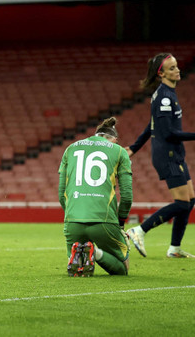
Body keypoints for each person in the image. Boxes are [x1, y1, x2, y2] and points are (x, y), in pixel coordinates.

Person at [125, 53, 195, 259]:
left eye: (177, 66)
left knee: (190, 200)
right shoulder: (163, 96)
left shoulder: (168, 93)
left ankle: (174, 249)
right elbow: (168, 132)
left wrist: (134, 147)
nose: (177, 70)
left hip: (175, 153)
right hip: (167, 154)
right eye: (171, 68)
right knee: (181, 203)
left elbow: (151, 125)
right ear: (160, 73)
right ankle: (139, 230)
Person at [58, 117, 133, 276]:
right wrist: (120, 225)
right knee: (123, 267)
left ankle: (80, 252)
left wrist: (72, 214)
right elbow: (126, 196)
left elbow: (61, 194)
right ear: (115, 140)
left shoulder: (70, 149)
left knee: (76, 254)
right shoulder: (119, 151)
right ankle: (95, 252)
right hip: (104, 221)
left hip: (73, 223)